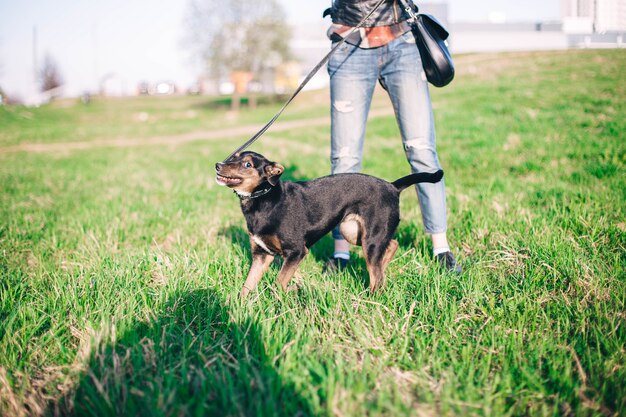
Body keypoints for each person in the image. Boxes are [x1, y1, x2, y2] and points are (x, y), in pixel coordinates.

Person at [324, 0, 462, 273]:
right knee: (344, 157)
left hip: (402, 43)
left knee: (421, 149)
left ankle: (441, 248)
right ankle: (341, 254)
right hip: (349, 41)